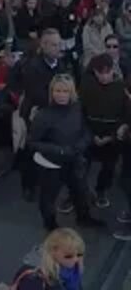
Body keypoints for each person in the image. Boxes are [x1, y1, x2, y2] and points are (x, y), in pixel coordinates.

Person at [30, 74, 104, 230]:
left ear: (72, 92)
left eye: (65, 91)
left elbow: (86, 130)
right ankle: (50, 225)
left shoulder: (77, 108)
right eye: (58, 90)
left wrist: (81, 145)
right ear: (52, 91)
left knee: (80, 192)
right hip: (52, 163)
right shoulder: (43, 115)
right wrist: (60, 150)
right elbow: (32, 142)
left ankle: (83, 218)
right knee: (48, 198)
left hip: (74, 159)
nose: (61, 95)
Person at [79, 52, 130, 209]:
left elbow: (125, 117)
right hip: (89, 135)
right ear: (94, 71)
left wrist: (111, 137)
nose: (103, 76)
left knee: (108, 167)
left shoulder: (121, 88)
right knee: (80, 166)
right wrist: (90, 135)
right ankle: (76, 193)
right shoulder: (87, 86)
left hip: (111, 137)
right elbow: (80, 113)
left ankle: (101, 191)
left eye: (107, 72)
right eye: (99, 72)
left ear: (113, 70)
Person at [5, 228, 86, 290]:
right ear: (53, 252)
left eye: (79, 254)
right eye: (69, 256)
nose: (76, 260)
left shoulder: (72, 270)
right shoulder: (34, 280)